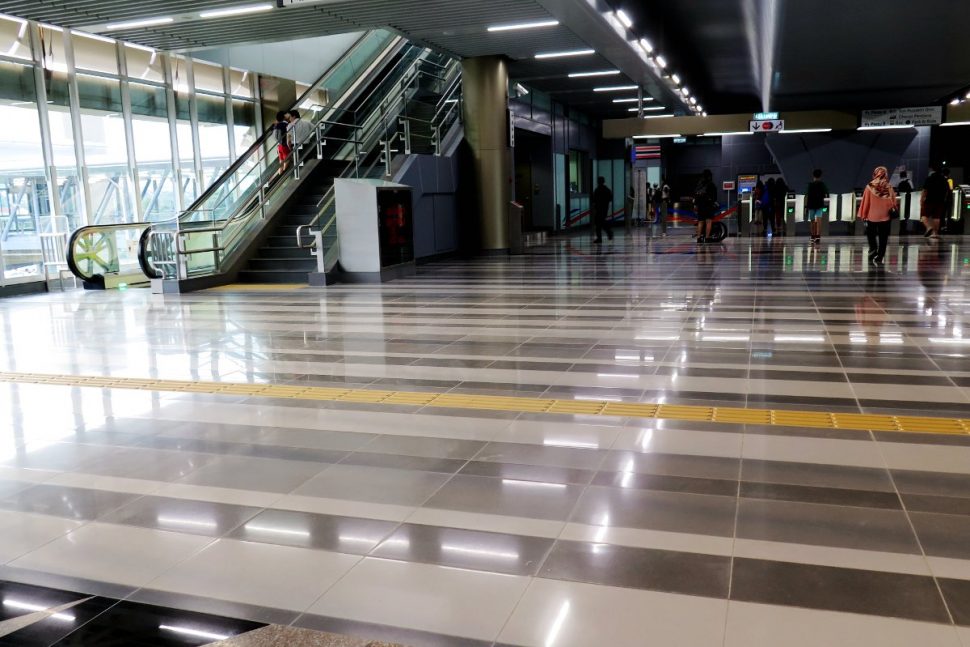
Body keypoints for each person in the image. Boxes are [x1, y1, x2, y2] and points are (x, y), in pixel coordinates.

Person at [857, 166, 897, 266]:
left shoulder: (869, 187)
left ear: (875, 174)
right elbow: (893, 203)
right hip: (886, 217)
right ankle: (880, 256)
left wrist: (864, 214)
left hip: (872, 217)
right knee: (884, 238)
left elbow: (866, 202)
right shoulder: (889, 187)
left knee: (871, 235)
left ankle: (873, 249)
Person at [921, 162, 948, 239]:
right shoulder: (944, 179)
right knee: (937, 217)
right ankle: (935, 233)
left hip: (929, 200)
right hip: (940, 201)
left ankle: (929, 227)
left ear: (933, 170)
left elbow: (925, 190)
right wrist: (944, 199)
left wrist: (922, 200)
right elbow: (946, 191)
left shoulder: (929, 178)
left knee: (923, 216)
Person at [805, 168, 828, 244]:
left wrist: (806, 206)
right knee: (819, 220)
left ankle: (812, 236)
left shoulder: (810, 185)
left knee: (812, 221)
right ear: (820, 176)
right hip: (819, 204)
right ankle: (818, 237)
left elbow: (807, 196)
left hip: (811, 205)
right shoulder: (822, 184)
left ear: (813, 176)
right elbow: (826, 193)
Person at [694, 169, 717, 243]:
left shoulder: (699, 184)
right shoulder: (711, 184)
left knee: (700, 222)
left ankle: (698, 238)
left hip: (700, 205)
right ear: (710, 176)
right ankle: (707, 238)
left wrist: (696, 205)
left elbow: (696, 195)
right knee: (708, 222)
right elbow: (714, 197)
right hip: (708, 206)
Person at [591, 176, 614, 244]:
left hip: (598, 208)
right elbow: (610, 198)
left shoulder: (597, 190)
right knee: (601, 222)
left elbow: (594, 199)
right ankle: (608, 233)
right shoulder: (607, 190)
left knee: (599, 223)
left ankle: (604, 235)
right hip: (605, 208)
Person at [273, 111, 290, 175]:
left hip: (279, 146)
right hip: (285, 145)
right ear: (284, 116)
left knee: (281, 161)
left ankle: (280, 174)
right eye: (286, 114)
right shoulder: (286, 125)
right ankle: (284, 174)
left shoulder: (277, 125)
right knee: (287, 159)